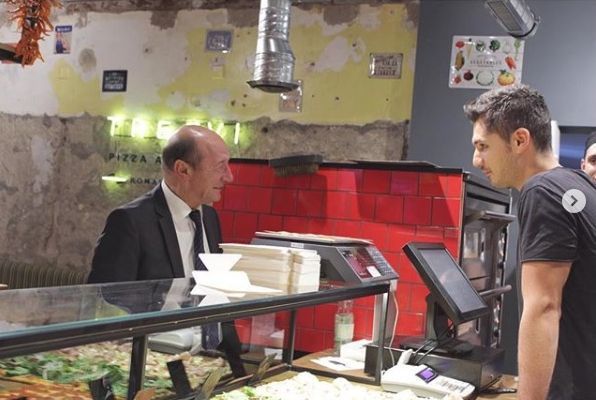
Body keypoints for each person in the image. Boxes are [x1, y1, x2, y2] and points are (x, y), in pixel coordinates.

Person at [463, 85, 596, 400]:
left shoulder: (542, 192)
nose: (477, 159)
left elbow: (544, 307)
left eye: (483, 146)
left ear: (520, 140)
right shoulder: (577, 185)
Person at [88, 125, 245, 376]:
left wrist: (238, 369)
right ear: (183, 169)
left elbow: (215, 297)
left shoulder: (210, 217)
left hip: (209, 362)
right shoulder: (130, 221)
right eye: (220, 166)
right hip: (152, 365)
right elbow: (105, 302)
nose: (229, 177)